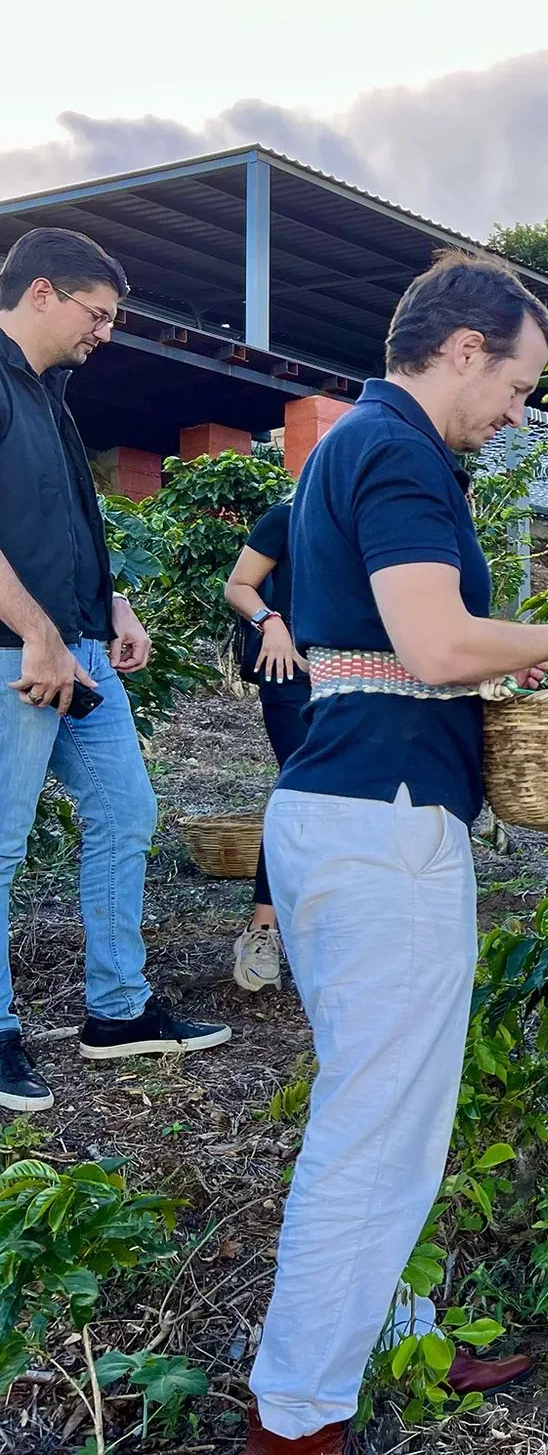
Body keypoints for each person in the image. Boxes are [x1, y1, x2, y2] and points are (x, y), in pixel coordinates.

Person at [242, 252, 548, 1453]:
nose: (517, 414)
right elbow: (430, 645)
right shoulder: (408, 455)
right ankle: (297, 1420)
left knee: (376, 1112)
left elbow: (399, 643)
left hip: (336, 806)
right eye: (520, 387)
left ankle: (390, 1331)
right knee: (375, 1134)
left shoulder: (355, 448)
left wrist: (493, 650)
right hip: (387, 830)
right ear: (464, 348)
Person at [0, 227, 232, 1115]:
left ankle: (118, 1013)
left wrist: (115, 604)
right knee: (3, 845)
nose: (105, 334)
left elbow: (71, 517)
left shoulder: (51, 392)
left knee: (127, 814)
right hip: (19, 654)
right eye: (98, 315)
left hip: (82, 645)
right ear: (45, 293)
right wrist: (39, 634)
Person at [222, 499, 307, 992]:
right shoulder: (286, 517)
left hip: (357, 677)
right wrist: (271, 622)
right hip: (291, 675)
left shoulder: (376, 516)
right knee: (298, 794)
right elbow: (239, 584)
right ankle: (263, 929)